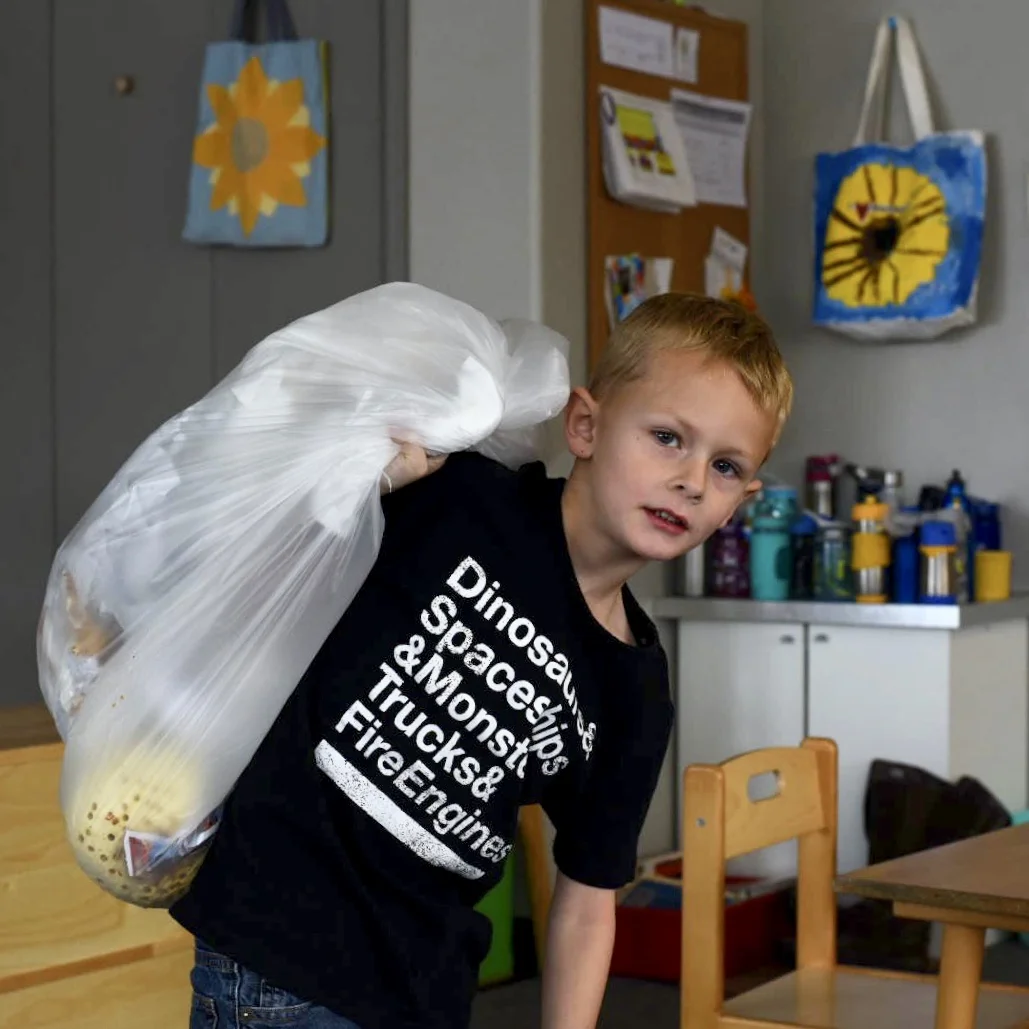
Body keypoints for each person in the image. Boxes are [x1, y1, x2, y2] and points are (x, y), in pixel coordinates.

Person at [170, 293, 794, 1029]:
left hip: (421, 989)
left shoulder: (633, 690)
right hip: (274, 951)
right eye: (666, 437)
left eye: (724, 466)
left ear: (740, 502)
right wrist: (372, 478)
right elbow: (281, 534)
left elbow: (589, 897)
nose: (691, 478)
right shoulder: (459, 500)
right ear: (585, 424)